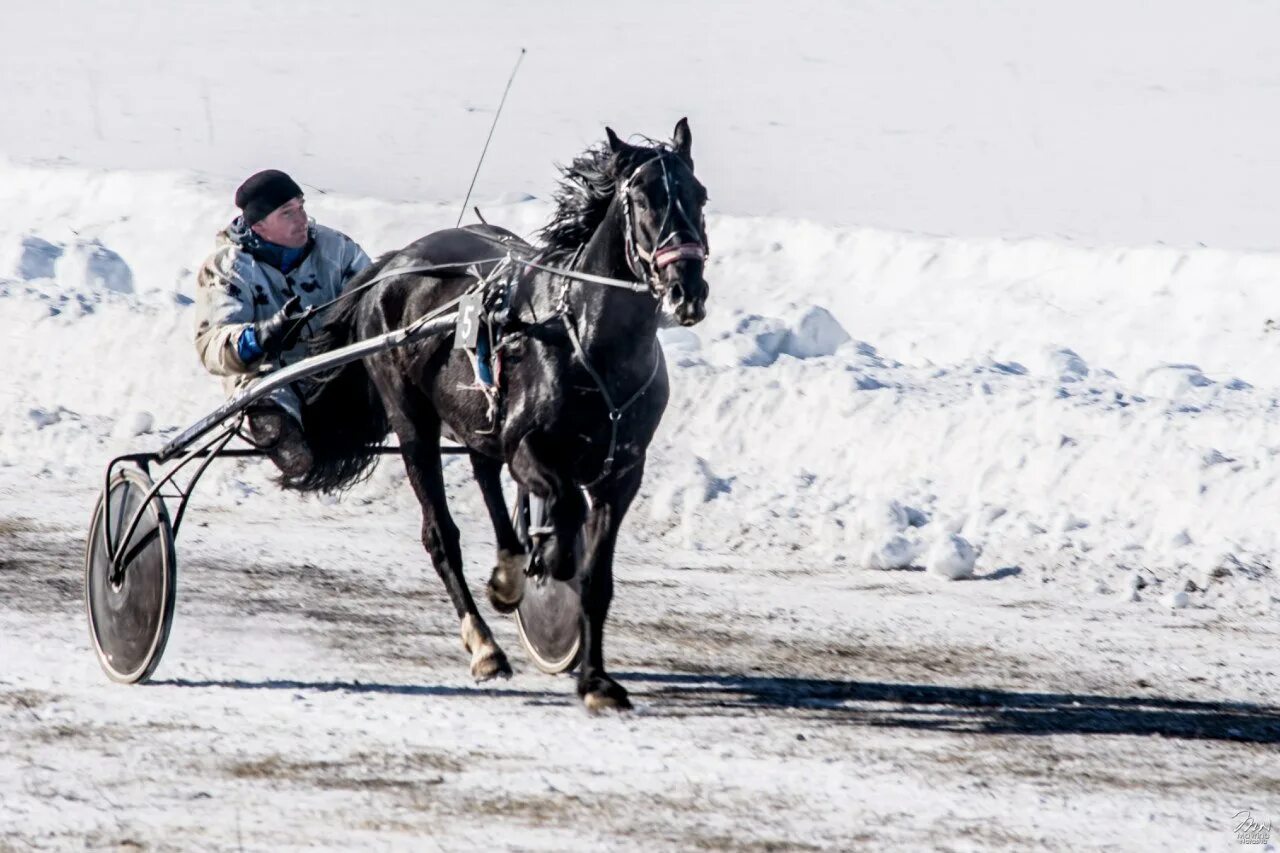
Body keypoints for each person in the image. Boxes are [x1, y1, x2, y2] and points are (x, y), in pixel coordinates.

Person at [194, 170, 371, 477]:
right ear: (258, 225)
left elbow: (373, 300)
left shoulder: (338, 250)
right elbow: (211, 344)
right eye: (287, 213)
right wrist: (259, 338)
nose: (301, 219)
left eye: (301, 207)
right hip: (269, 376)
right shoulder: (227, 268)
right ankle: (279, 433)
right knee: (267, 397)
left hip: (337, 368)